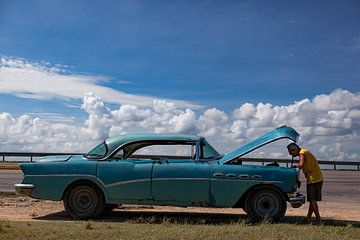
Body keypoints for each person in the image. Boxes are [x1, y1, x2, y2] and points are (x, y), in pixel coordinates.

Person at [287, 143, 323, 224]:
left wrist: (294, 167)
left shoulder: (302, 153)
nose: (291, 155)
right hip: (317, 177)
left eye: (291, 153)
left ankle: (318, 219)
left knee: (312, 200)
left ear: (294, 150)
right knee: (312, 199)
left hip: (314, 178)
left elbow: (301, 164)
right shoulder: (304, 150)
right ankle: (308, 217)